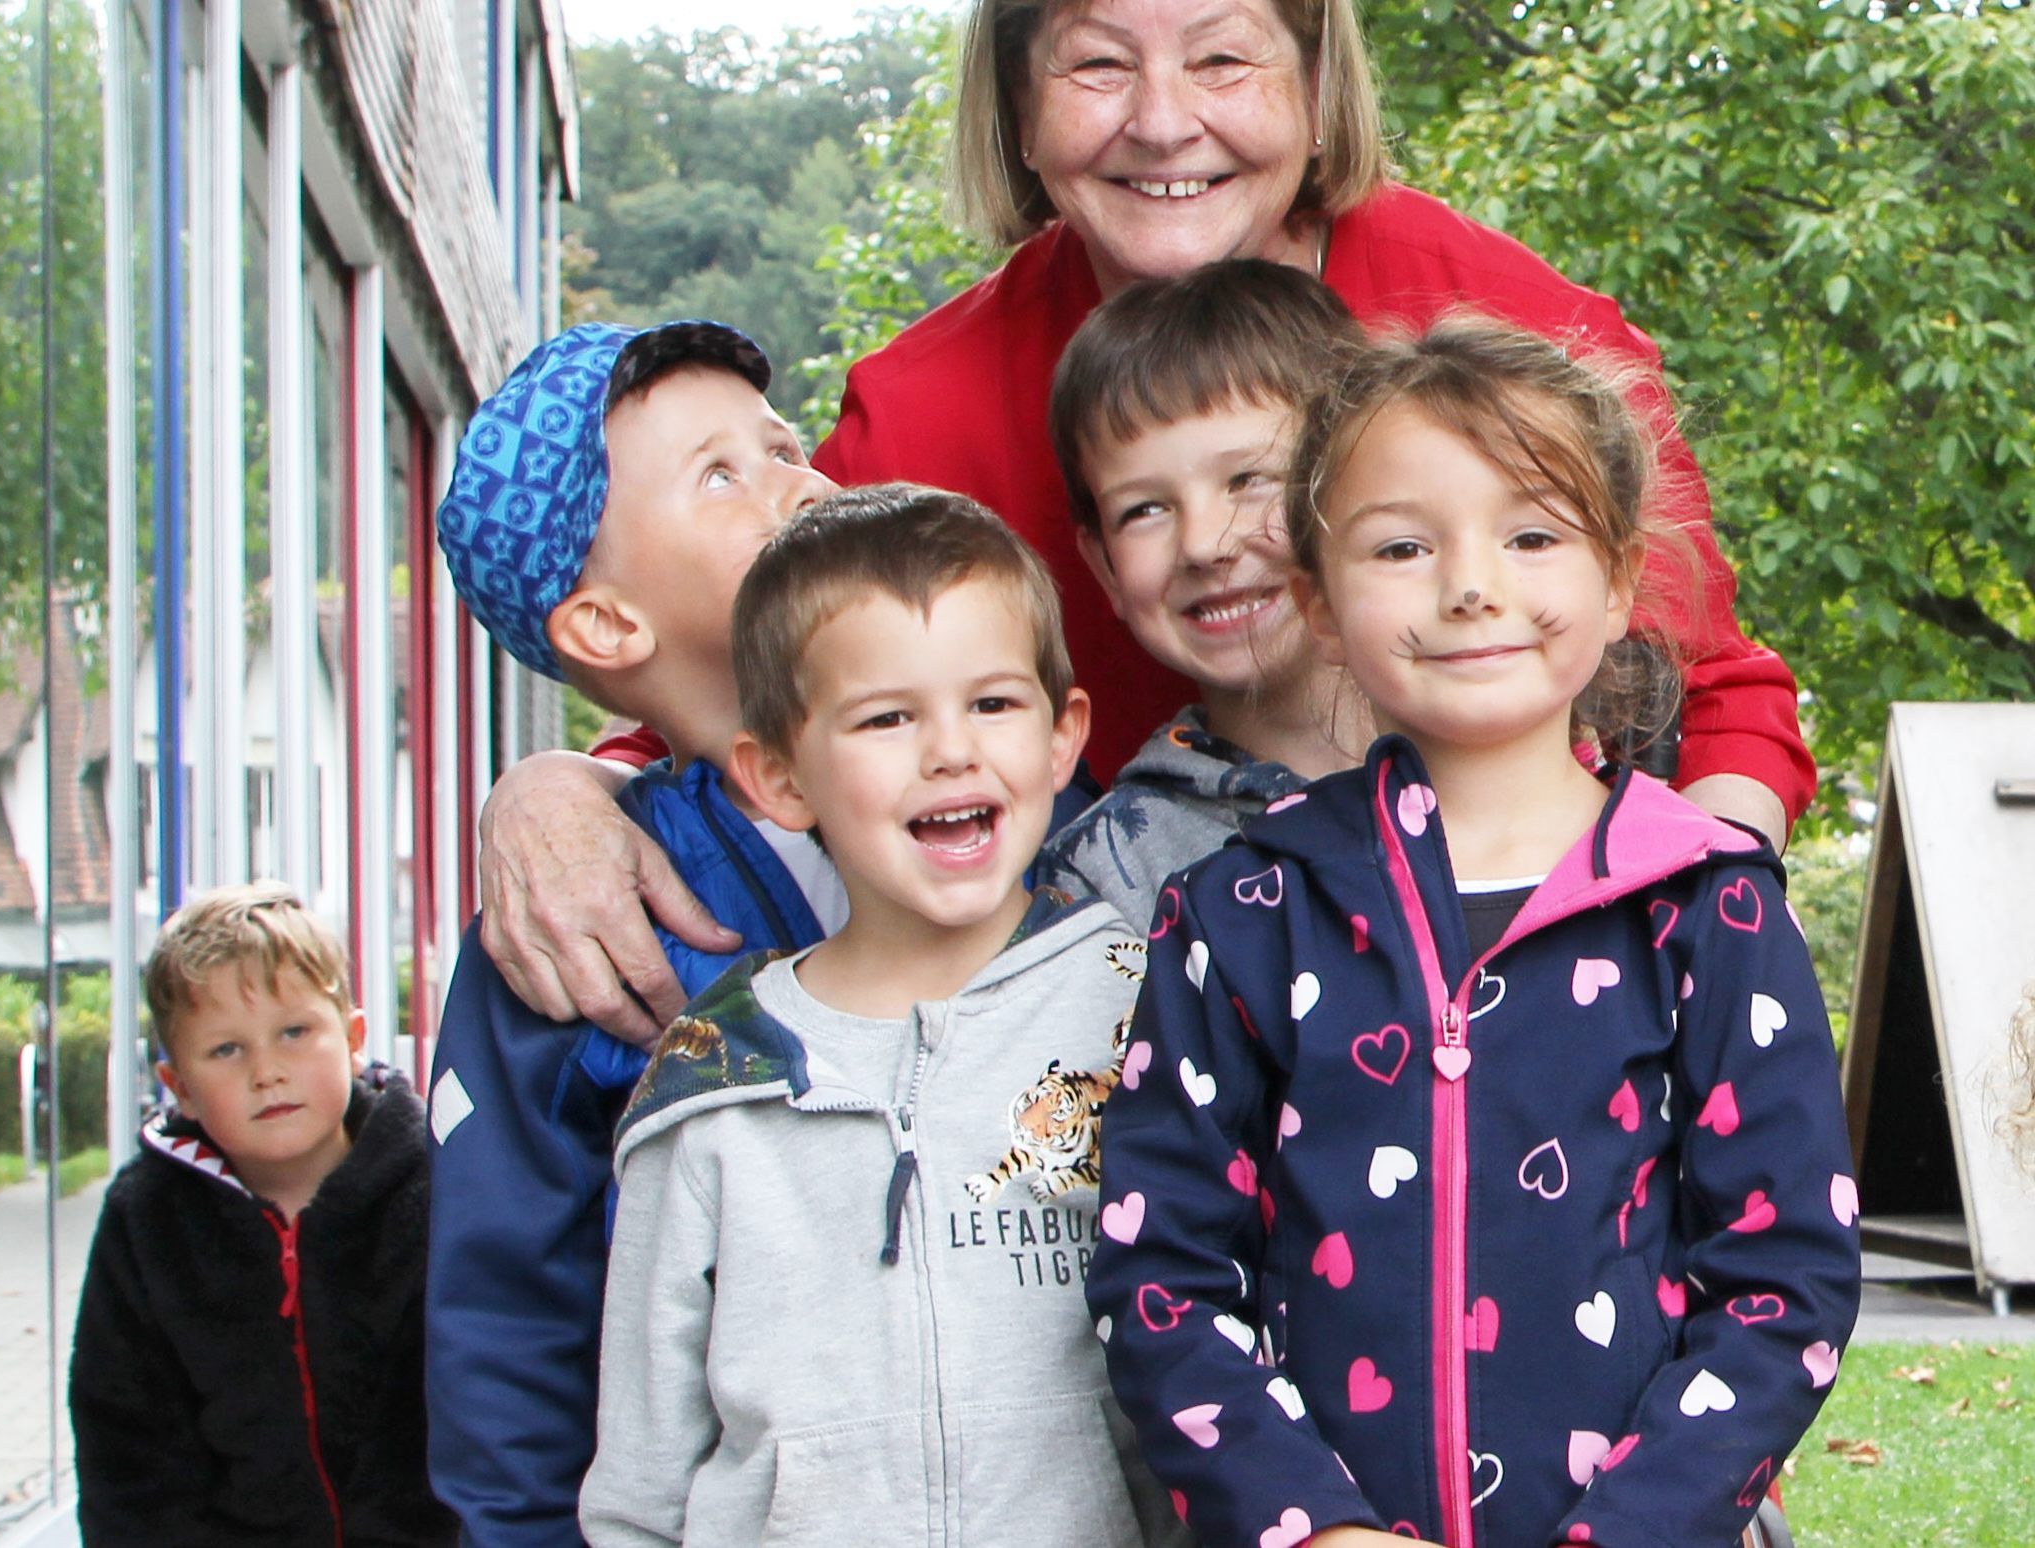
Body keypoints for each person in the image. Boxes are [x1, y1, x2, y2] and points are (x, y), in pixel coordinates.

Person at [471, 0, 1814, 1048]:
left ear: (1312, 81)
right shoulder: (926, 417)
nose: (1164, 124)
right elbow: (769, 679)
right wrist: (555, 787)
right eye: (1098, 65)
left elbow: (1716, 692)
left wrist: (1694, 961)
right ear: (1017, 106)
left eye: (1224, 60)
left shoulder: (1497, 325)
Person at [1084, 317, 1861, 1548]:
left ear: (1617, 586)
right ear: (1318, 605)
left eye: (1533, 534)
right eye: (1401, 544)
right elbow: (1161, 1270)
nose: (1469, 584)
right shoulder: (1244, 912)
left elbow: (1786, 1279)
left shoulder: (1709, 909)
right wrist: (1309, 1528)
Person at [579, 485, 1181, 1548]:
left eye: (993, 704)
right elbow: (641, 1482)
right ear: (778, 776)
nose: (950, 751)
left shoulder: (1153, 1017)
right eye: (887, 717)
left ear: (1060, 737)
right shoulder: (713, 1083)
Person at [426, 319, 840, 1547]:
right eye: (724, 474)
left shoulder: (1004, 803)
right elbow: (505, 1316)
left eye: (785, 444)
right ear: (606, 627)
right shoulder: (566, 933)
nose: (799, 479)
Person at [69, 883, 452, 1547]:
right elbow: (124, 1449)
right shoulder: (147, 1220)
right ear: (179, 1086)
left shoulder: (436, 1187)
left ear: (353, 1037)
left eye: (294, 1032)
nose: (267, 1071)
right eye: (226, 1050)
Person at [1039, 258, 1372, 932]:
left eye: (1249, 479)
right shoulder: (1105, 872)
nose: (1203, 544)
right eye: (1143, 511)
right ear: (1103, 567)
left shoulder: (1516, 748)